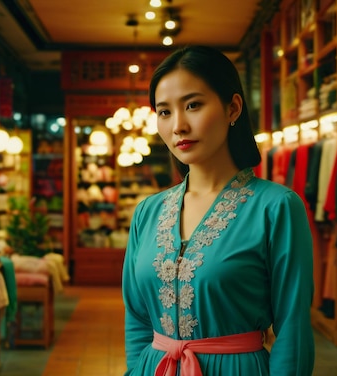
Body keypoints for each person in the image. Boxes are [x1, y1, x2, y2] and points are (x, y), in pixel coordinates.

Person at [122, 45, 315, 375]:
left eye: (193, 105)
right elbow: (137, 319)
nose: (178, 125)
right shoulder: (147, 212)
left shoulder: (276, 207)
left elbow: (293, 329)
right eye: (164, 112)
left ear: (233, 107)